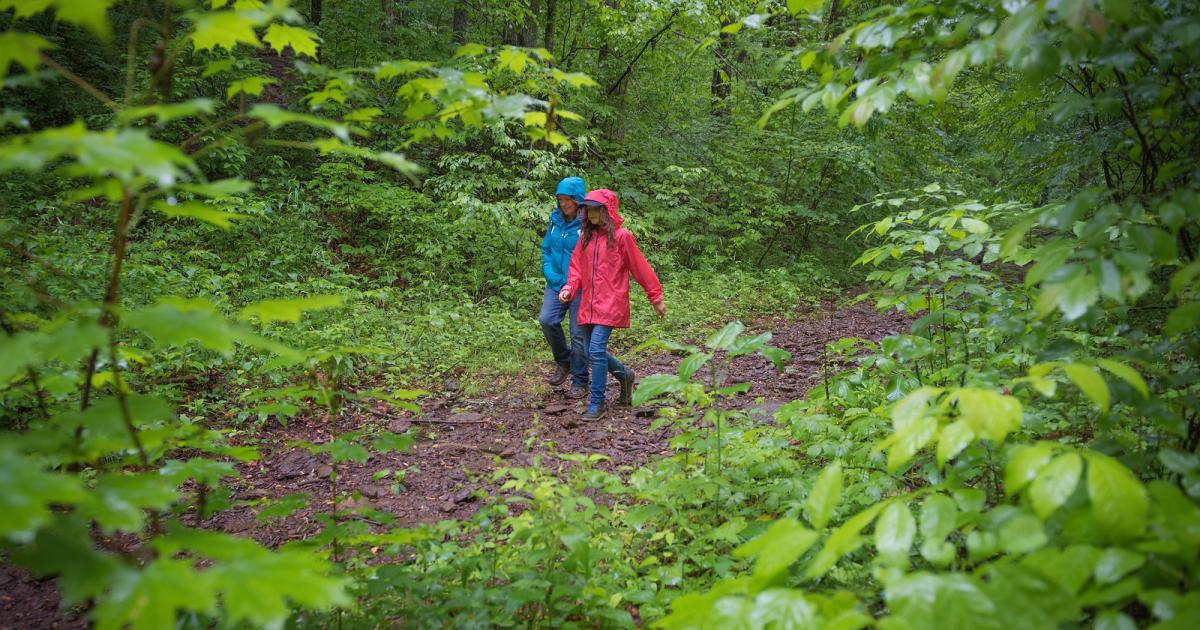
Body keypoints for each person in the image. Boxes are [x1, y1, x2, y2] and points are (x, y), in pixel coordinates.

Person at [559, 189, 665, 420]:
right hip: (587, 302)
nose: (592, 213)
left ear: (607, 211)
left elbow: (640, 267)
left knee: (596, 349)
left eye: (597, 208)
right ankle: (624, 375)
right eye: (589, 209)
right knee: (589, 351)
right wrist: (569, 287)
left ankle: (597, 403)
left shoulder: (622, 236)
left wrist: (655, 296)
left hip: (610, 302)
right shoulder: (585, 237)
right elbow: (576, 267)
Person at [539, 176, 589, 398]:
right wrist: (550, 274)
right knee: (547, 320)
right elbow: (546, 250)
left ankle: (580, 380)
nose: (564, 204)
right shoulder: (555, 220)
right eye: (560, 199)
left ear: (578, 199)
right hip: (556, 283)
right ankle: (564, 361)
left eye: (568, 199)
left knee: (578, 335)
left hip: (580, 286)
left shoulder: (589, 223)